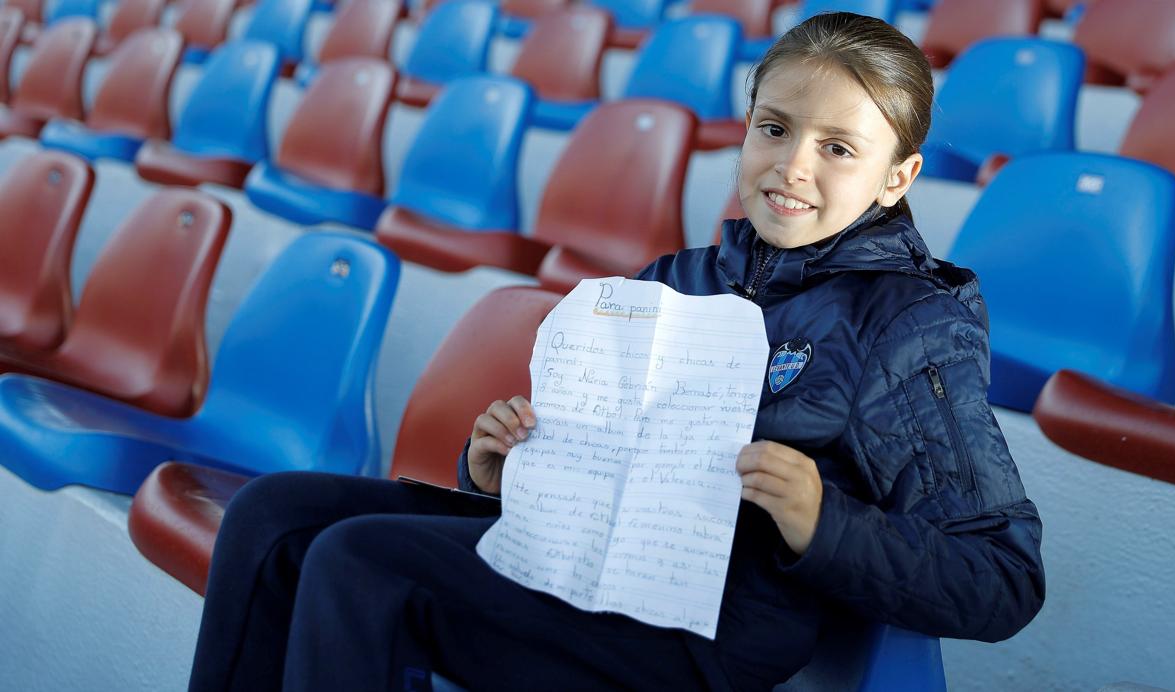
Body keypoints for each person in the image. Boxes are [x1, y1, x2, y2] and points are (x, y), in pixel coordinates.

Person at [188, 12, 1044, 692]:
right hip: (582, 554)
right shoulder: (680, 277)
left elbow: (1001, 576)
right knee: (271, 519)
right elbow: (579, 443)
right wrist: (497, 465)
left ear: (898, 177)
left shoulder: (908, 321)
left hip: (703, 622)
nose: (792, 166)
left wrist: (823, 519)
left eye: (839, 149)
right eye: (775, 129)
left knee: (362, 564)